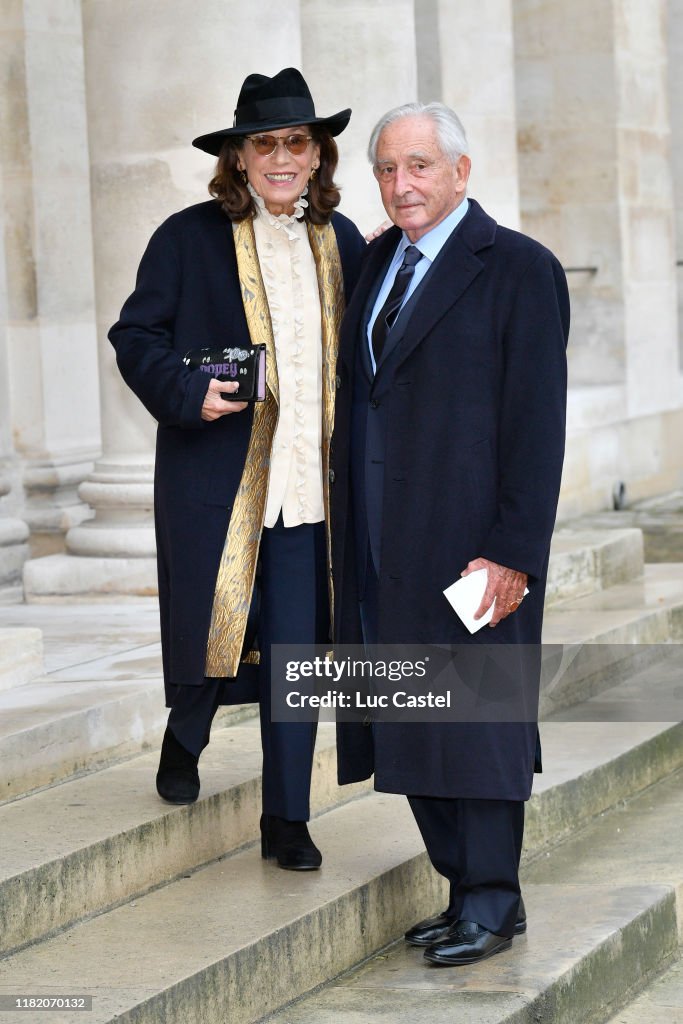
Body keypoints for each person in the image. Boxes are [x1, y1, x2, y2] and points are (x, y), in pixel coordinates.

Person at [109, 68, 365, 870]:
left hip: (309, 494)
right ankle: (183, 739)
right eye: (266, 144)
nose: (282, 157)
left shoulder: (344, 241)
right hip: (216, 483)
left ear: (318, 155)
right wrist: (190, 390)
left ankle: (285, 819)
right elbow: (135, 336)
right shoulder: (187, 236)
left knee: (296, 654)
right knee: (210, 634)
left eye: (297, 142)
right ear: (239, 157)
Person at [330, 103, 569, 962]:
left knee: (477, 724)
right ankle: (461, 889)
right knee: (409, 718)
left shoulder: (517, 268)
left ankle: (493, 900)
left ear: (460, 172)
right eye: (389, 169)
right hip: (382, 541)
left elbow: (537, 427)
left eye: (420, 166)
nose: (403, 185)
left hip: (473, 543)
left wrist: (513, 552)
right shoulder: (375, 263)